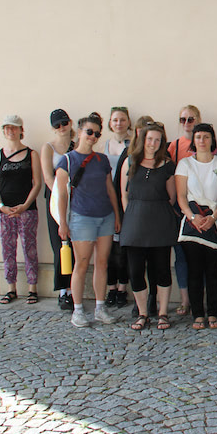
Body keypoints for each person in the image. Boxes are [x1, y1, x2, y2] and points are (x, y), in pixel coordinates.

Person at [55, 112, 121, 328]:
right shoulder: (67, 160)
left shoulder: (101, 160)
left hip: (105, 217)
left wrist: (117, 216)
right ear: (80, 132)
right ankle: (78, 309)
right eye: (89, 132)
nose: (92, 137)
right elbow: (62, 194)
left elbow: (110, 189)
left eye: (96, 134)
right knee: (81, 264)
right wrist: (63, 223)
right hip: (81, 218)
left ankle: (100, 307)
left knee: (102, 263)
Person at [120, 122, 178, 330]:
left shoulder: (167, 165)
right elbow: (124, 195)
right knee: (136, 270)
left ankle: (162, 313)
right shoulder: (130, 162)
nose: (153, 143)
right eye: (149, 138)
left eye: (157, 139)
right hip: (134, 223)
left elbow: (172, 197)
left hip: (160, 221)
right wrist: (133, 215)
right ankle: (142, 313)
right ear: (142, 139)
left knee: (162, 268)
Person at [176, 123, 217, 330]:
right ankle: (198, 314)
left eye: (206, 137)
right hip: (192, 224)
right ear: (194, 140)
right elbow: (181, 196)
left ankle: (213, 313)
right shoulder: (184, 164)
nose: (202, 140)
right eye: (198, 137)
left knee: (213, 270)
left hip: (215, 222)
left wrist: (213, 217)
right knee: (194, 271)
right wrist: (192, 217)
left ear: (212, 140)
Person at [0, 115, 42, 305]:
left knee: (30, 248)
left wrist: (26, 205)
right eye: (6, 128)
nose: (10, 131)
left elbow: (37, 183)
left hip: (27, 209)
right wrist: (1, 206)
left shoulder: (32, 154)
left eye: (13, 128)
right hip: (4, 211)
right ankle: (11, 288)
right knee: (7, 249)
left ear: (21, 130)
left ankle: (32, 288)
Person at [168, 105, 201, 316]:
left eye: (191, 119)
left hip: (203, 208)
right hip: (180, 208)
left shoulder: (209, 143)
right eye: (183, 119)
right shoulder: (174, 146)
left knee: (201, 256)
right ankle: (185, 299)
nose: (187, 123)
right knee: (181, 257)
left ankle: (200, 298)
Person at [41, 109, 75, 310]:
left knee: (75, 245)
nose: (62, 128)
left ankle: (74, 288)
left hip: (76, 200)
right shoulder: (48, 148)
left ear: (70, 123)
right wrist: (61, 195)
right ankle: (64, 291)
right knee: (60, 245)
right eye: (57, 125)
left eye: (64, 123)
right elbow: (47, 176)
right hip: (55, 200)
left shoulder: (76, 145)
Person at [103, 106, 132, 309]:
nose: (119, 123)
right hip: (106, 200)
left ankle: (122, 287)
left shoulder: (134, 143)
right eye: (115, 120)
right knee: (108, 249)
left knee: (123, 248)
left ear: (128, 122)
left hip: (125, 199)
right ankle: (110, 288)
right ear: (110, 123)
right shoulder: (104, 145)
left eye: (122, 119)